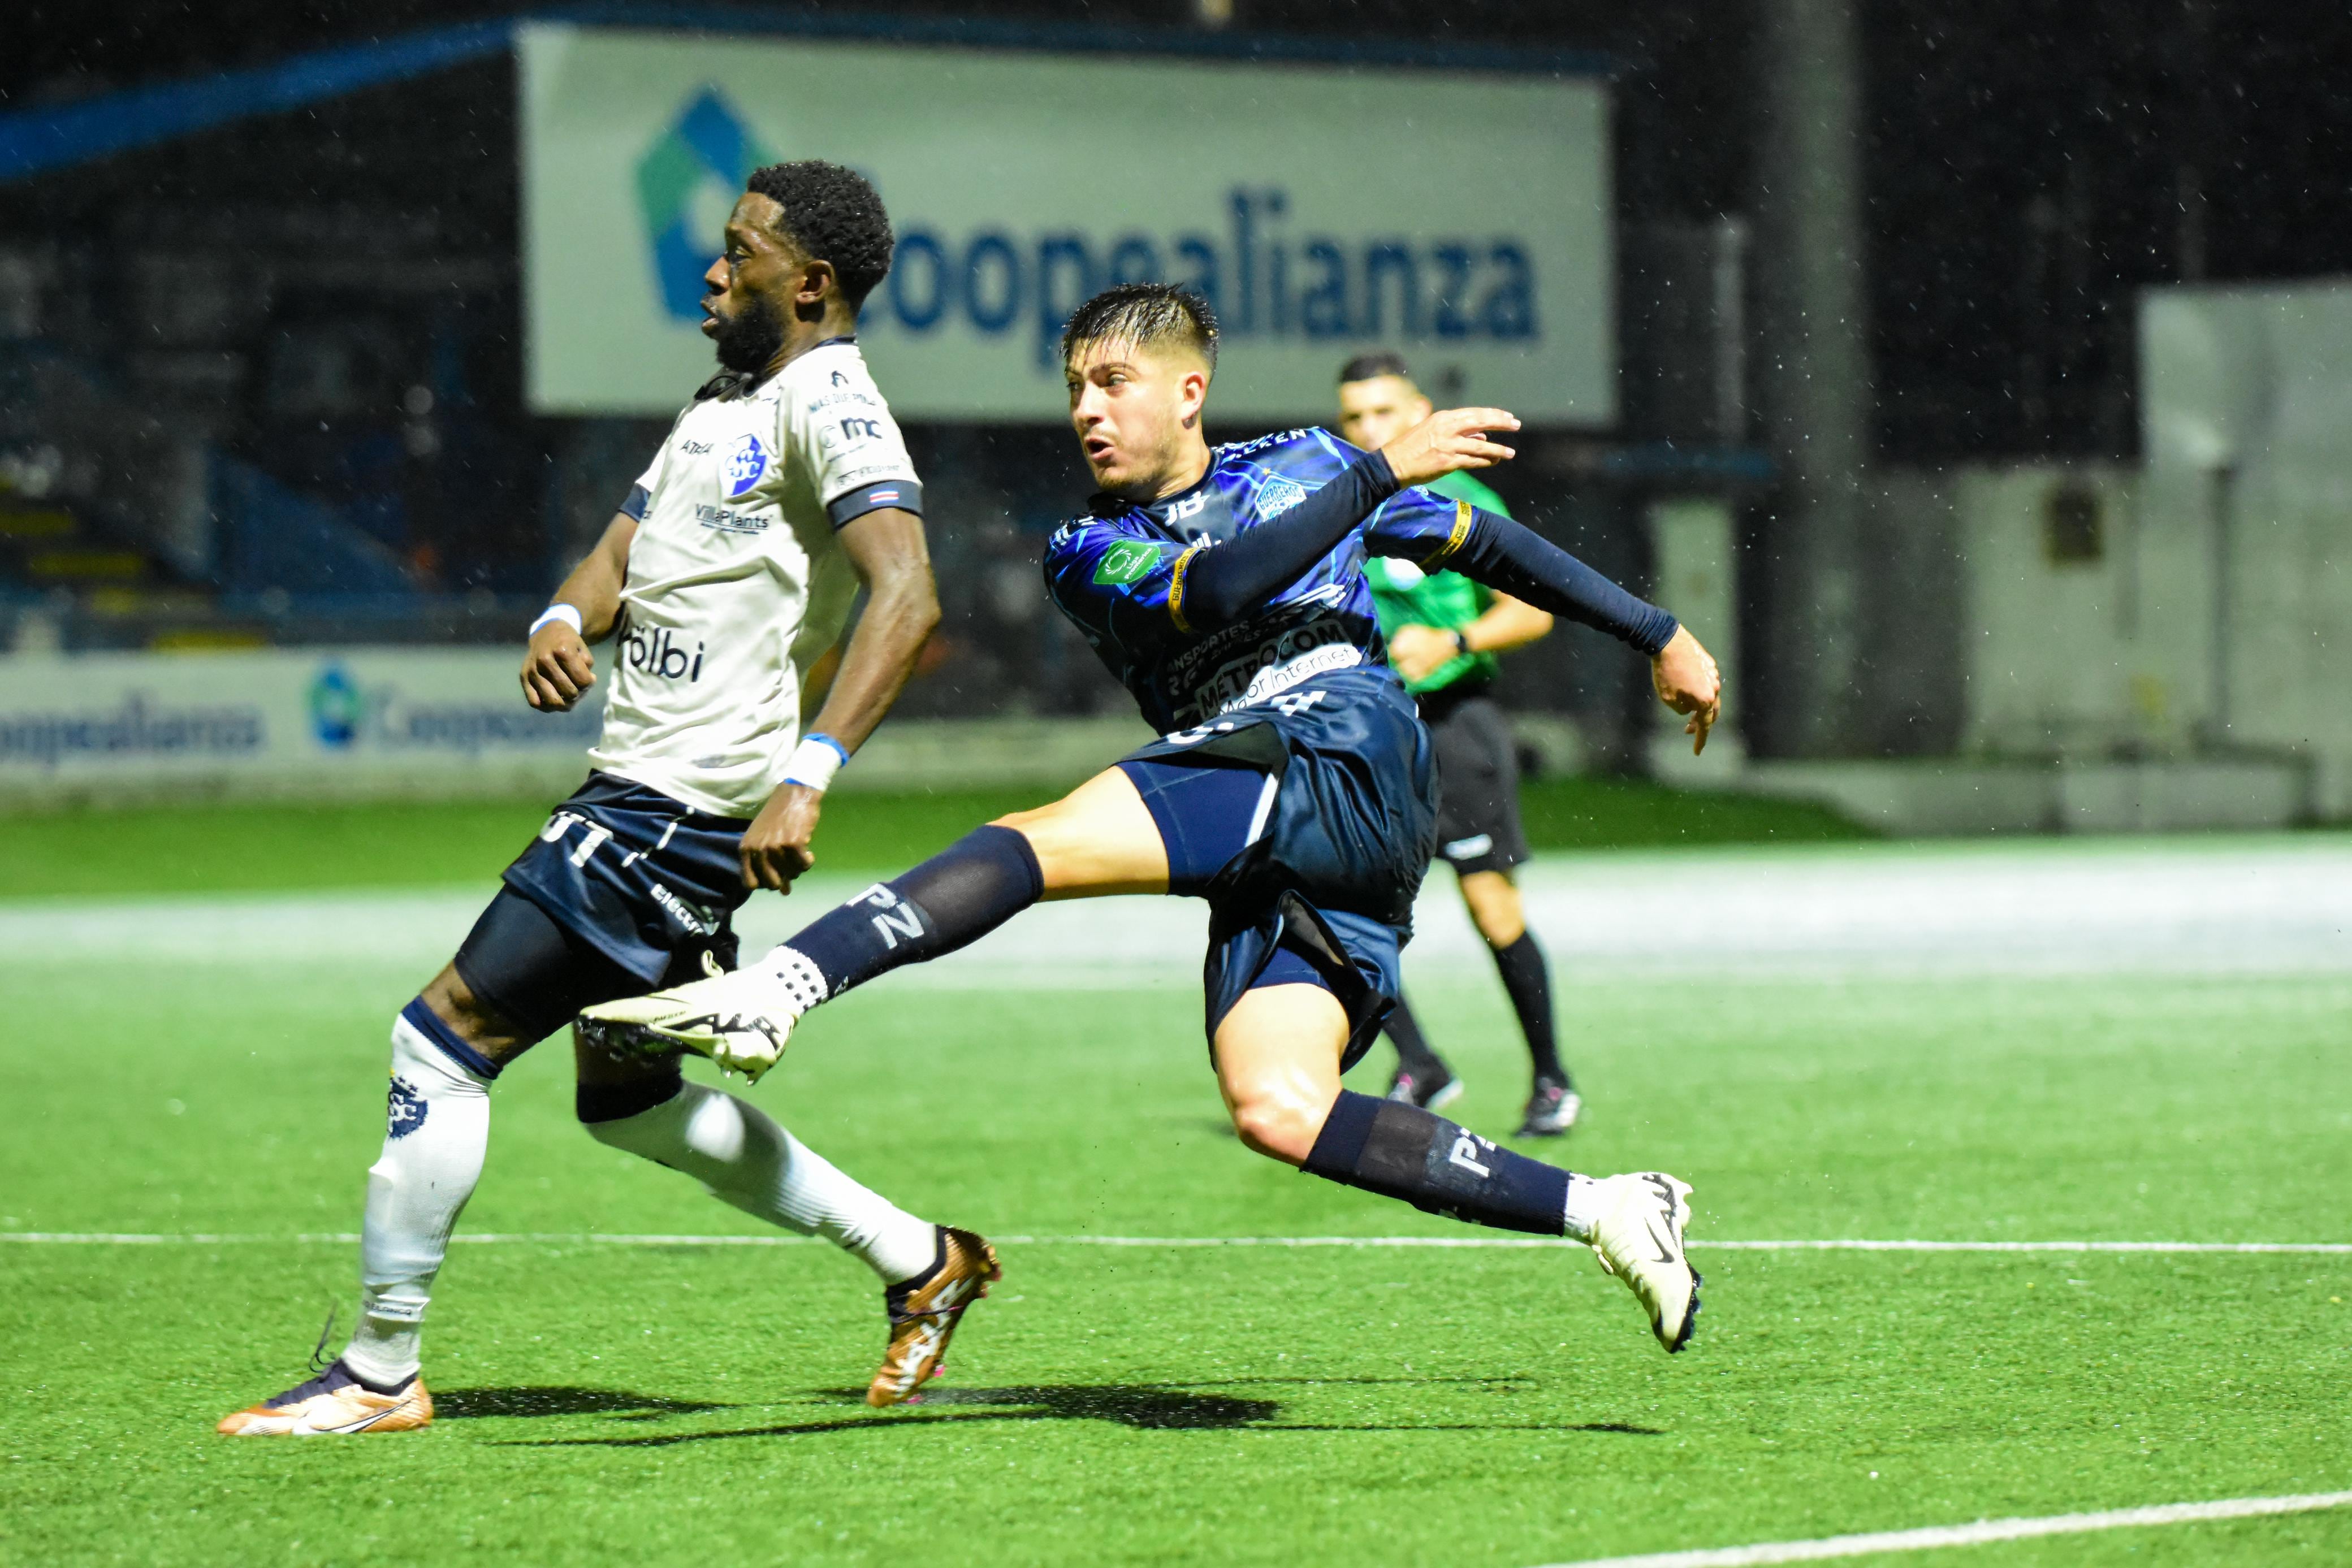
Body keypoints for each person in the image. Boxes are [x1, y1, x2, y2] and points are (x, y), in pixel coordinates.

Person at [584, 284, 1723, 1354]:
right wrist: (1375, 475)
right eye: (1076, 386)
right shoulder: (1084, 550)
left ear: (1189, 391)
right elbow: (1217, 589)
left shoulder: (1308, 464)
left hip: (1337, 739)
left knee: (1041, 839)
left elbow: (1486, 546)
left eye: (1115, 381)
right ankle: (1608, 1206)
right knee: (1281, 1107)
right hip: (1280, 826)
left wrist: (1660, 634)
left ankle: (779, 988)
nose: (1088, 407)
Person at [218, 162, 997, 1436]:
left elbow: (908, 597)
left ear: (807, 283)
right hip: (644, 790)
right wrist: (562, 613)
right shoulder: (723, 402)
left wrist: (811, 775)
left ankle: (377, 1370)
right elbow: (622, 549)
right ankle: (922, 1261)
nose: (713, 266)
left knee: (441, 1038)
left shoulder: (833, 403)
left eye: (738, 250)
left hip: (673, 810)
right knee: (624, 1101)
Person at [1335, 352, 1576, 1136]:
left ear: (1421, 412)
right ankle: (1420, 1062)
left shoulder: (1464, 499)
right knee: (1328, 902)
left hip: (1454, 726)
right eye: (1354, 417)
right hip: (1372, 732)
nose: (1370, 429)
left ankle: (1551, 1079)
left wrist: (1454, 638)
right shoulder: (1342, 503)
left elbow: (1532, 612)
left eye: (1384, 412)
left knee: (1490, 903)